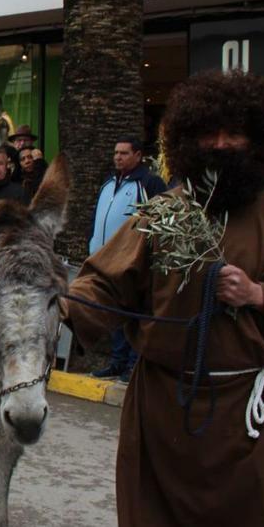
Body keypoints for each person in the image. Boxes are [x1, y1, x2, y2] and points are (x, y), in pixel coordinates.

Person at [63, 72, 264, 525]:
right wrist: (60, 305)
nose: (220, 145)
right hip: (164, 409)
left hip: (249, 417)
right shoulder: (161, 214)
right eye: (208, 133)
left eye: (234, 134)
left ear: (257, 142)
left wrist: (259, 294)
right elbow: (104, 283)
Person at [84, 136, 169, 382]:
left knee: (134, 314)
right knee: (115, 313)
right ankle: (118, 362)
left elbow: (159, 222)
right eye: (116, 152)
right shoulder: (109, 183)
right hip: (104, 259)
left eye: (123, 153)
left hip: (131, 262)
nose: (117, 157)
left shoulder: (149, 184)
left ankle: (133, 364)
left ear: (138, 155)